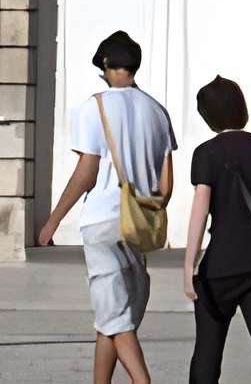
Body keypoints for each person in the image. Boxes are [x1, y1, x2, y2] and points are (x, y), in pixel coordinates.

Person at [36, 31, 176, 384]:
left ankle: (142, 381)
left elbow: (87, 171)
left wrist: (52, 221)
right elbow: (167, 183)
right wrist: (151, 211)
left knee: (114, 316)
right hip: (138, 223)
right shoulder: (158, 111)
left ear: (107, 66)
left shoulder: (92, 107)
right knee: (115, 314)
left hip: (101, 221)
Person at [181, 77, 251, 384]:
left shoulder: (205, 153)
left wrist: (189, 263)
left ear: (207, 115)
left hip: (219, 268)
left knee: (207, 350)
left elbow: (200, 211)